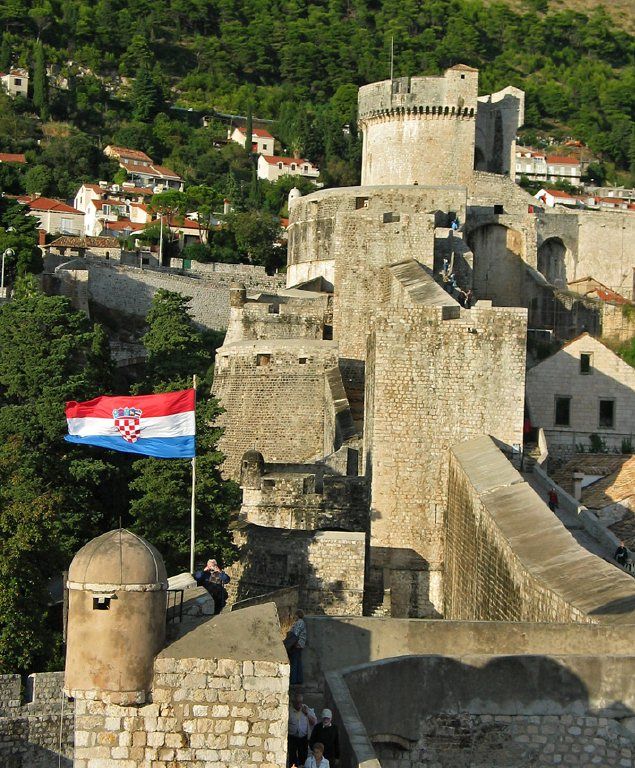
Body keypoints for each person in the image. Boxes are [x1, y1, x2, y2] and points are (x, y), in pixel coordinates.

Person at [288, 691, 317, 768]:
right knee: (292, 756)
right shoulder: (289, 710)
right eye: (297, 702)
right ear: (293, 702)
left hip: (303, 737)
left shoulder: (306, 709)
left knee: (303, 756)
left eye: (300, 702)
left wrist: (307, 714)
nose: (299, 704)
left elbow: (314, 722)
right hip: (292, 737)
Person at [288, 609, 307, 685]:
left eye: (295, 615)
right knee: (298, 662)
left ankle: (294, 680)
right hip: (299, 644)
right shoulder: (300, 622)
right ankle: (299, 679)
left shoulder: (299, 623)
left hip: (297, 644)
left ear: (297, 615)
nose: (294, 616)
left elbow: (295, 633)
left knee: (294, 662)